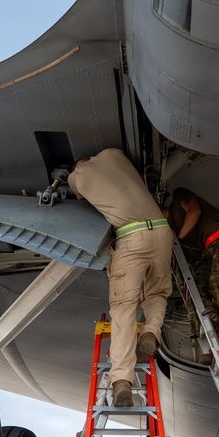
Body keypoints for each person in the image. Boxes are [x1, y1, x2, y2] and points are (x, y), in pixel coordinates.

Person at [67, 149, 173, 406]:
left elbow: (75, 190)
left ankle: (122, 380)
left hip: (132, 237)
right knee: (157, 293)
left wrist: (74, 175)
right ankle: (150, 332)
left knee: (124, 309)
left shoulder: (79, 175)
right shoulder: (115, 155)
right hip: (162, 232)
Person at [163, 187, 219, 365]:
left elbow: (195, 212)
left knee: (218, 288)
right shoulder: (168, 230)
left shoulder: (179, 197)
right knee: (198, 292)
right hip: (209, 248)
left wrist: (179, 238)